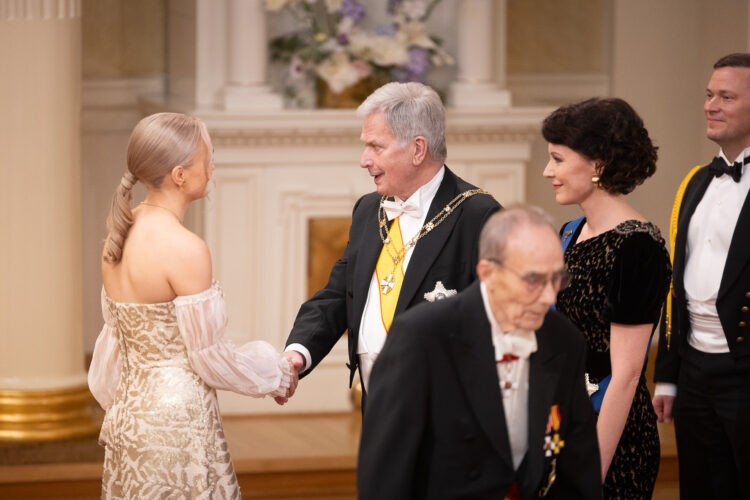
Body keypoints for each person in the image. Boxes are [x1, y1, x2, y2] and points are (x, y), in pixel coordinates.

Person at [87, 112, 298, 498]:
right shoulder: (186, 249)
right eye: (208, 159)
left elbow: (114, 345)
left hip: (130, 415)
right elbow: (209, 358)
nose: (212, 169)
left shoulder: (119, 233)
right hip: (178, 421)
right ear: (180, 175)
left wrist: (125, 405)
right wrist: (276, 374)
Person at [357, 206, 601, 499]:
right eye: (534, 281)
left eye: (557, 279)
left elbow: (579, 467)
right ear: (488, 273)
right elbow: (385, 476)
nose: (550, 296)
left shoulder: (563, 340)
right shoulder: (421, 338)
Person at [281, 82, 500, 402]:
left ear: (417, 149)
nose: (364, 160)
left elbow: (493, 322)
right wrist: (298, 352)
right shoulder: (369, 209)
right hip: (376, 407)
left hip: (446, 411)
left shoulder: (480, 216)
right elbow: (339, 293)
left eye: (376, 147)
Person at [542, 98, 671, 498]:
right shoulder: (570, 231)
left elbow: (628, 374)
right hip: (562, 424)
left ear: (598, 164)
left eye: (558, 159)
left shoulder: (638, 246)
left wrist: (586, 476)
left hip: (609, 439)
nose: (548, 171)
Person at [653, 53, 750, 499]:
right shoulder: (695, 180)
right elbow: (678, 283)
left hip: (743, 371)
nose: (711, 105)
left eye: (726, 97)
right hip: (694, 370)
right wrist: (669, 375)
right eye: (709, 95)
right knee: (699, 487)